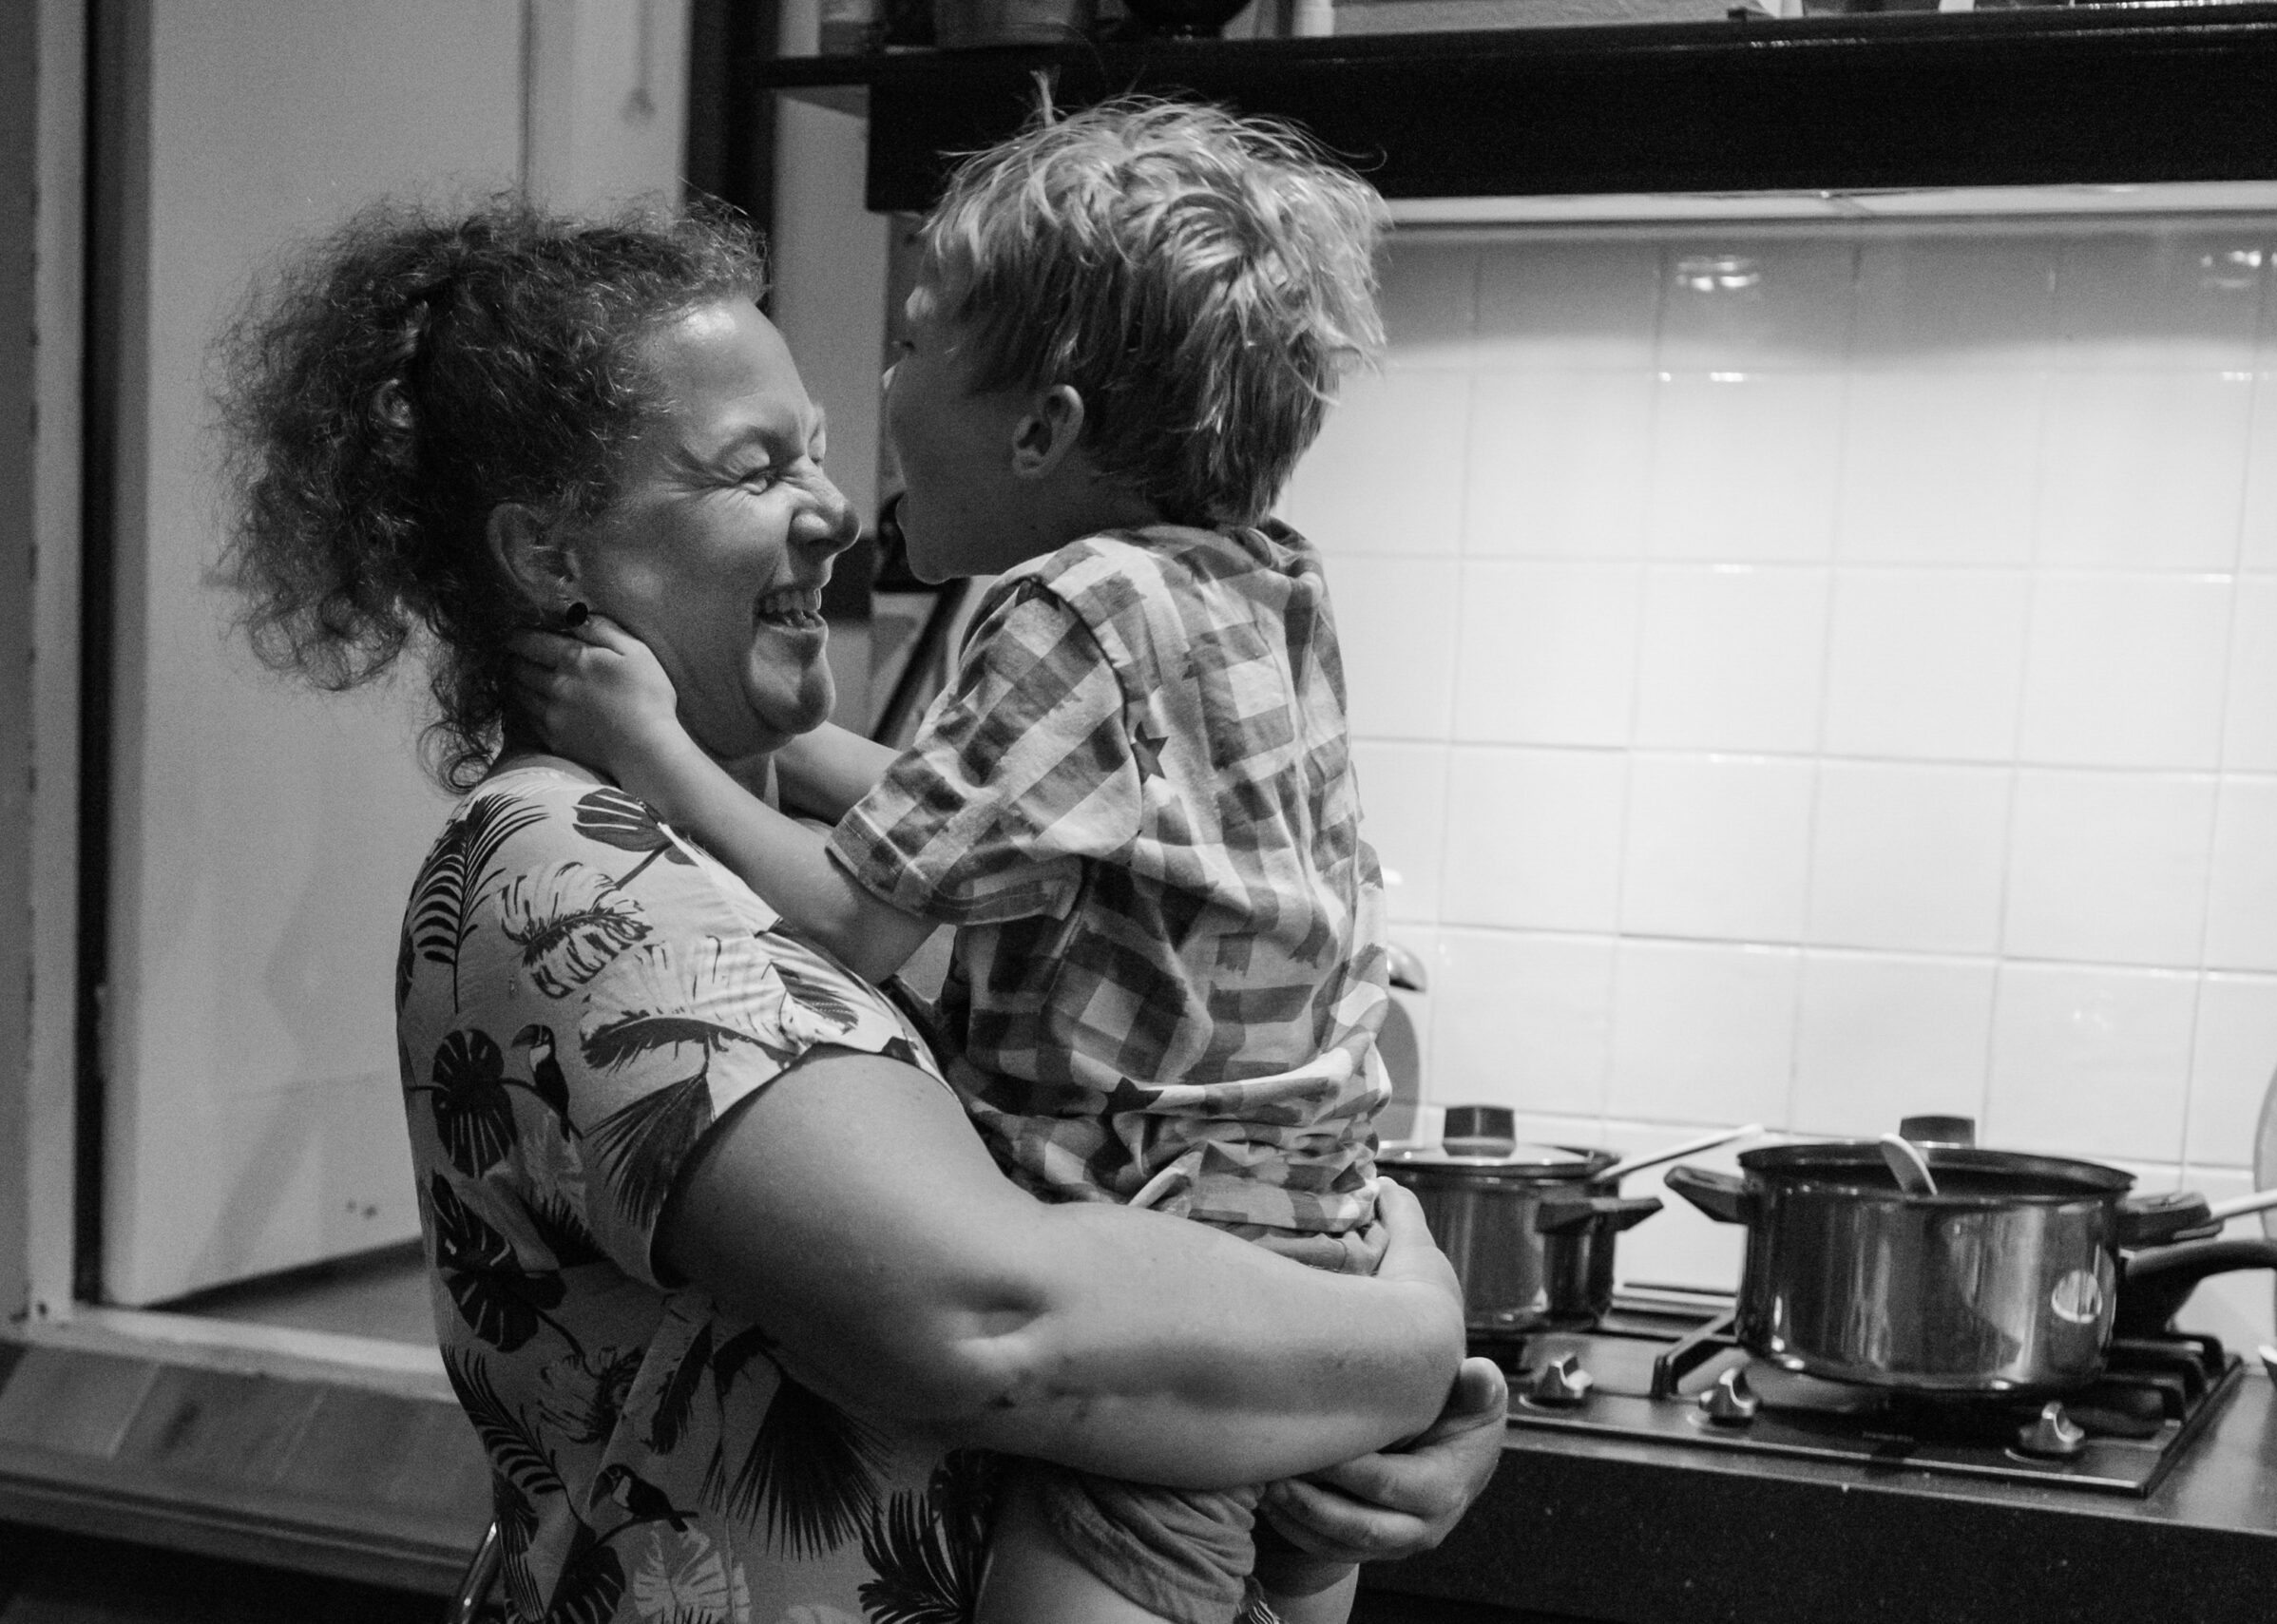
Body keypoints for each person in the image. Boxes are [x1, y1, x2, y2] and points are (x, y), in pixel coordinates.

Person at [214, 194, 1504, 1624]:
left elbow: (1283, 1083)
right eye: (756, 470)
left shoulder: (826, 848)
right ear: (551, 556)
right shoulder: (572, 878)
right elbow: (988, 1323)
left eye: (822, 451)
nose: (835, 512)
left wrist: (1373, 1403)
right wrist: (1399, 1346)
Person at [512, 100, 1401, 1624]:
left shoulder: (1064, 613)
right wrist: (1410, 1344)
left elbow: (860, 911)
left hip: (1165, 1284)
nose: (851, 465)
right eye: (753, 467)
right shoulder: (1258, 580)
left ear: (1044, 427)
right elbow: (994, 820)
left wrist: (663, 750)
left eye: (913, 343)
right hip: (1311, 1245)